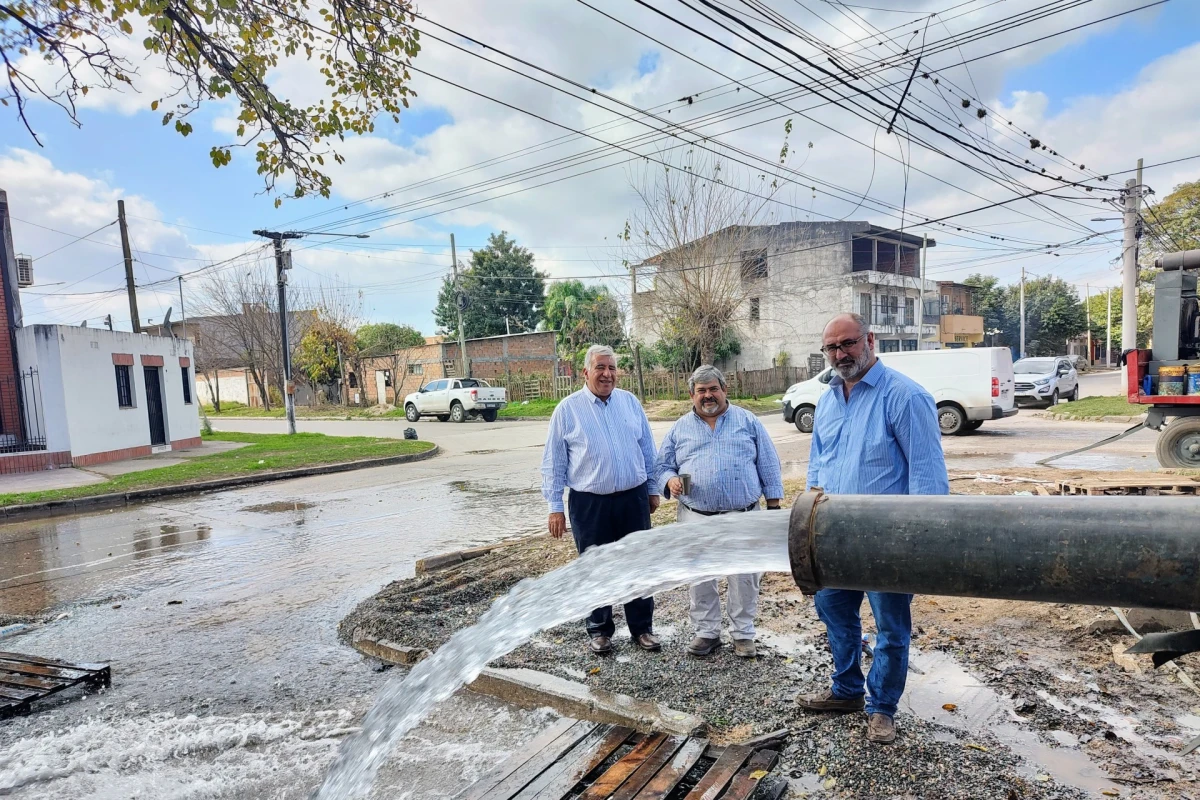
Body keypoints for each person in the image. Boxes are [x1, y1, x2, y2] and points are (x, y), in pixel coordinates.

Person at [798, 313, 949, 745]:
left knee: (891, 627)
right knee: (833, 612)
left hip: (888, 541)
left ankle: (882, 707)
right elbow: (819, 464)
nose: (840, 354)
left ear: (870, 340)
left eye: (848, 344)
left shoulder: (905, 396)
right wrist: (811, 519)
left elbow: (927, 476)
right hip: (834, 535)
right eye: (832, 347)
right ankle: (846, 690)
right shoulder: (827, 399)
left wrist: (919, 543)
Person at [541, 344, 663, 656]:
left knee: (638, 562)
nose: (607, 374)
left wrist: (651, 488)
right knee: (594, 567)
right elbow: (553, 463)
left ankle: (642, 629)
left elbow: (647, 449)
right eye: (600, 368)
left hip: (632, 499)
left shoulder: (630, 403)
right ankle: (599, 631)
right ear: (586, 372)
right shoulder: (567, 411)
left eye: (611, 368)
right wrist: (555, 507)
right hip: (589, 503)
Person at [657, 365, 784, 659]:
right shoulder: (679, 428)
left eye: (713, 388)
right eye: (701, 391)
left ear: (725, 390)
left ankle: (743, 634)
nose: (708, 395)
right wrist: (670, 480)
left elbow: (768, 463)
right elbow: (661, 466)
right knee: (700, 576)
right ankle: (707, 632)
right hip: (695, 517)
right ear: (692, 395)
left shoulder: (747, 421)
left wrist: (774, 507)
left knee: (745, 577)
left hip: (744, 515)